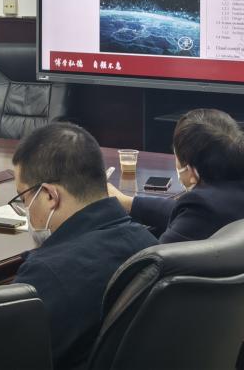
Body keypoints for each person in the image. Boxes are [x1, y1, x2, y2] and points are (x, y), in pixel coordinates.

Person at [11, 123, 157, 370]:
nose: (26, 208)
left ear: (50, 196)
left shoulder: (48, 274)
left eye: (23, 198)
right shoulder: (149, 244)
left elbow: (5, 355)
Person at [112, 109, 244, 243]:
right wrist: (128, 202)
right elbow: (180, 209)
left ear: (192, 172)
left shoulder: (200, 212)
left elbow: (151, 263)